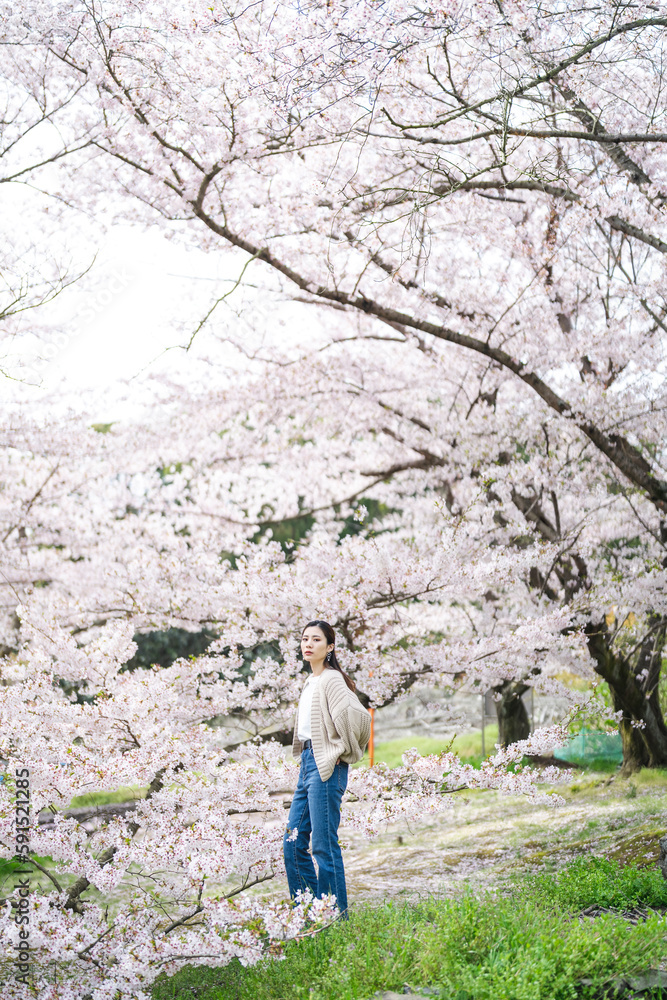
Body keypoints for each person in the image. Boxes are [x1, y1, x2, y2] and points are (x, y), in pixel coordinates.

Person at [283, 619, 371, 917]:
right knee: (293, 843)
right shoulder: (311, 681)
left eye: (316, 640)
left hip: (326, 766)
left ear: (330, 646)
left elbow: (359, 718)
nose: (308, 644)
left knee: (323, 845)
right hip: (307, 764)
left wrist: (342, 750)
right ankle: (309, 914)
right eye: (305, 639)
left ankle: (334, 918)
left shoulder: (332, 679)